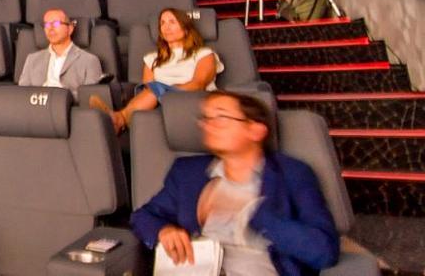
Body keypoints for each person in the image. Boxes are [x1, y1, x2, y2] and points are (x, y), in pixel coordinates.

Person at [132, 91, 340, 276]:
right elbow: (143, 216)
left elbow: (324, 251)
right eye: (205, 118)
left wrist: (252, 213)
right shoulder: (187, 173)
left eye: (221, 117)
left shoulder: (292, 173)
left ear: (256, 130)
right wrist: (164, 230)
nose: (207, 124)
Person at [92, 8, 223, 133]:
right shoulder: (152, 58)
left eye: (172, 22)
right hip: (160, 102)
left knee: (155, 89)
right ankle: (118, 121)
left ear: (186, 29)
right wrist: (161, 94)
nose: (166, 27)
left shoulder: (204, 54)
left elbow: (198, 84)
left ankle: (119, 119)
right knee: (151, 90)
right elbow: (147, 88)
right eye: (162, 23)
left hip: (193, 98)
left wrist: (166, 92)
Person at [17, 9, 103, 100]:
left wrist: (61, 96)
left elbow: (90, 97)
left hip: (66, 107)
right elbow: (22, 94)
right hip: (37, 107)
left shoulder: (90, 60)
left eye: (56, 24)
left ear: (70, 29)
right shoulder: (32, 59)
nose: (50, 28)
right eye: (47, 25)